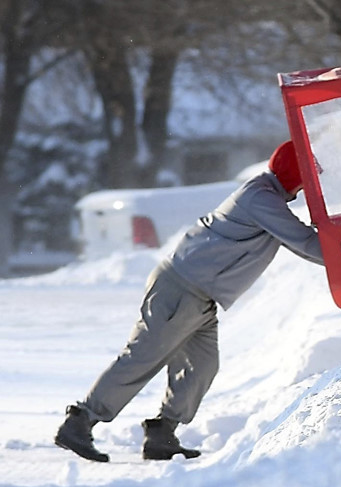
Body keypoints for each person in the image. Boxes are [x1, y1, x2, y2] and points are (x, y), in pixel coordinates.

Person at [55, 140, 324, 462]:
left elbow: (302, 242)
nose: (310, 185)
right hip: (182, 289)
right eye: (308, 176)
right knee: (142, 358)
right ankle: (80, 421)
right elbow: (306, 242)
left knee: (201, 366)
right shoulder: (261, 199)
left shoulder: (266, 196)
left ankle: (162, 433)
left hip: (199, 295)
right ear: (297, 174)